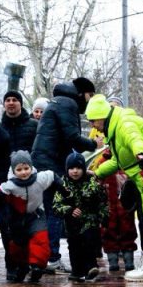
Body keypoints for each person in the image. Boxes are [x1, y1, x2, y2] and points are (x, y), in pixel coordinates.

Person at [85, 94, 143, 281]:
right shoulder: (115, 128)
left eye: (93, 121)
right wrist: (98, 173)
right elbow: (118, 160)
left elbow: (135, 139)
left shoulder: (123, 124)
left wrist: (142, 155)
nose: (93, 126)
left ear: (102, 116)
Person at [31, 83, 96, 271]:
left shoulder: (58, 102)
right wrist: (94, 143)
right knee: (56, 210)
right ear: (81, 93)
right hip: (50, 163)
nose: (89, 100)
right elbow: (72, 136)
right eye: (89, 95)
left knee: (50, 209)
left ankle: (48, 255)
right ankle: (52, 257)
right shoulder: (68, 104)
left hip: (46, 160)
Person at [0, 151, 55, 283]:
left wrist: (64, 190)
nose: (24, 172)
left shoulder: (40, 178)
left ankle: (37, 266)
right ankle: (21, 267)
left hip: (36, 213)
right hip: (17, 219)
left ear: (31, 167)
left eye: (26, 168)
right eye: (19, 170)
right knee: (18, 245)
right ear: (13, 170)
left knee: (40, 238)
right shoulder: (9, 185)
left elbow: (53, 176)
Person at [54, 152, 108, 282]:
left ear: (84, 169)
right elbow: (56, 205)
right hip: (72, 224)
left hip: (90, 220)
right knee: (74, 246)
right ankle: (77, 271)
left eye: (78, 168)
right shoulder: (64, 185)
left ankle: (91, 267)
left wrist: (102, 216)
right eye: (72, 168)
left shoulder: (91, 182)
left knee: (89, 242)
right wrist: (69, 210)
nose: (75, 171)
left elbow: (102, 200)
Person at [90, 127, 136, 272]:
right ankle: (112, 260)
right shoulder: (102, 161)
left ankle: (129, 259)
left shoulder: (127, 159)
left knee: (127, 228)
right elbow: (96, 181)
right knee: (108, 230)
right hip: (108, 205)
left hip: (124, 205)